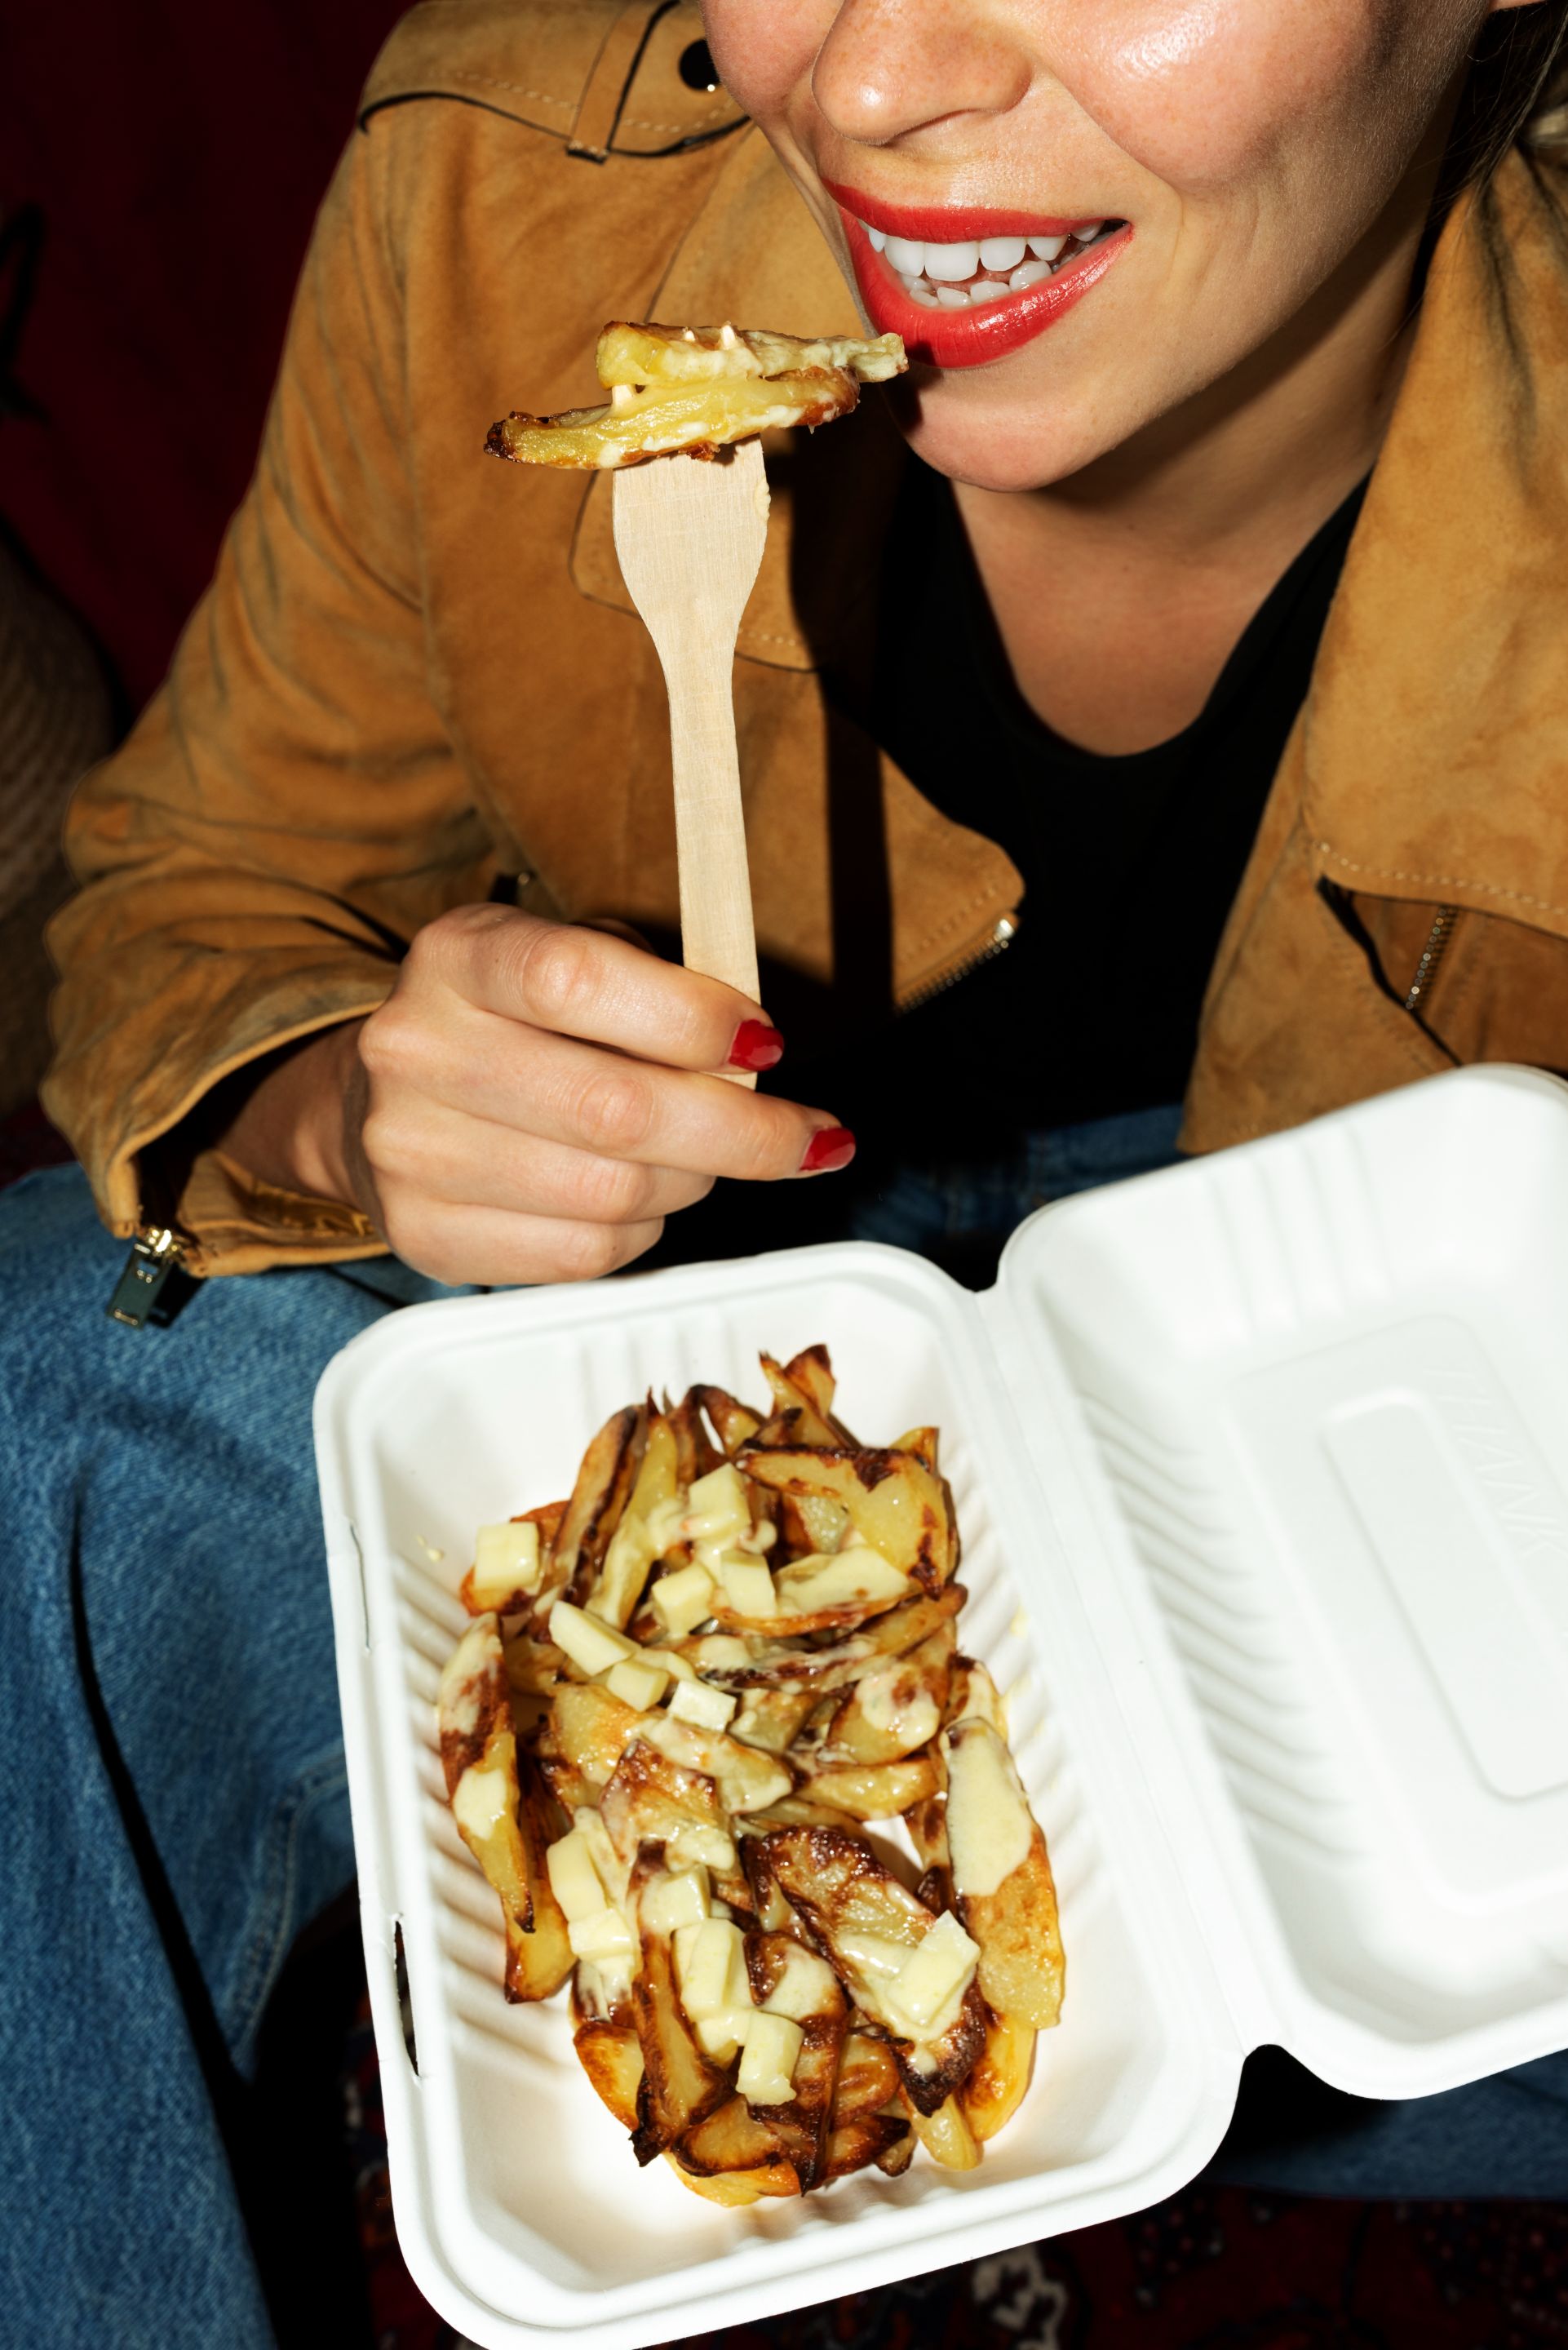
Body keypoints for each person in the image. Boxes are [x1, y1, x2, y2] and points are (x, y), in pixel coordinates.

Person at [5, 2, 1567, 2341]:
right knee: (53, 1397)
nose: (860, 80)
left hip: (1311, 1421)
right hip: (583, 1335)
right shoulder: (496, 181)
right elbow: (186, 896)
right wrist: (344, 1093)